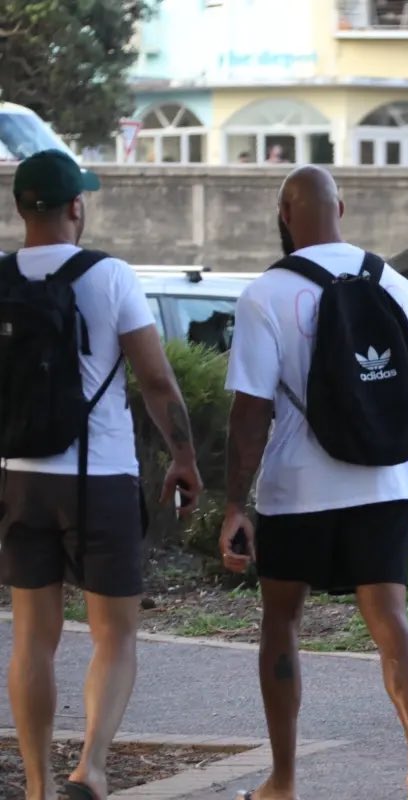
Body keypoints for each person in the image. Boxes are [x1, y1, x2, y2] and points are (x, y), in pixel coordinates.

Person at [219, 165, 408, 800]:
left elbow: (250, 411)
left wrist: (236, 503)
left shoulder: (266, 293)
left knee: (281, 623)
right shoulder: (393, 281)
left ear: (284, 215)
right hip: (383, 483)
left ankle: (283, 780)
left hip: (297, 490)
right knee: (390, 620)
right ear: (341, 206)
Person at [0, 149, 203, 800]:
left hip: (18, 477)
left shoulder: (1, 278)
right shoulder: (110, 276)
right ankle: (89, 766)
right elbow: (154, 378)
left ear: (21, 209)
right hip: (100, 476)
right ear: (76, 208)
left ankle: (34, 785)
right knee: (114, 634)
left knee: (33, 637)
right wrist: (184, 456)